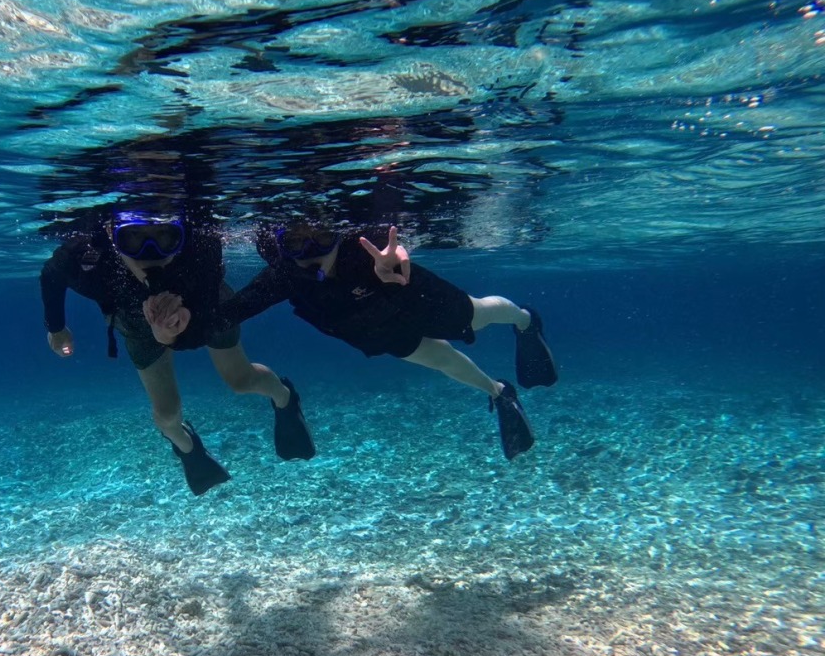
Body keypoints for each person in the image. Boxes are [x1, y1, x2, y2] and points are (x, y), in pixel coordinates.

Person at [213, 221, 558, 460]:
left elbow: (387, 237)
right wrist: (177, 325)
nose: (309, 250)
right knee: (440, 359)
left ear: (340, 235)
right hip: (371, 324)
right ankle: (498, 392)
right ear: (280, 245)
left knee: (478, 314)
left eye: (321, 236)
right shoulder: (284, 274)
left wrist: (386, 262)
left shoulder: (364, 250)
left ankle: (525, 320)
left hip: (408, 290)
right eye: (294, 241)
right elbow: (232, 311)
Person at [39, 210, 316, 495]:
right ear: (111, 233)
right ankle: (188, 450)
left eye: (165, 238)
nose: (151, 254)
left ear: (181, 235)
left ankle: (284, 398)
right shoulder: (87, 257)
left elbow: (206, 325)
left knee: (241, 380)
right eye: (133, 238)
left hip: (207, 307)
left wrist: (172, 333)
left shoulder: (200, 247)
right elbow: (51, 274)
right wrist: (56, 327)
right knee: (167, 412)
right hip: (135, 322)